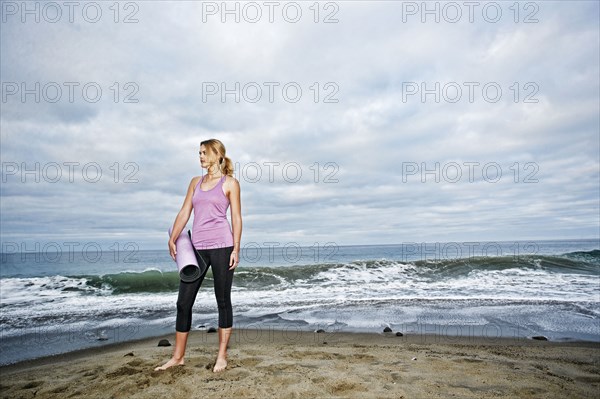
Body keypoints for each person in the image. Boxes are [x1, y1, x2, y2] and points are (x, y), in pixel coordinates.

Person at [155, 138, 242, 373]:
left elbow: (236, 217)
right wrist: (173, 237)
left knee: (223, 301)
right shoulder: (195, 182)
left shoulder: (230, 183)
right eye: (199, 153)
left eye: (204, 152)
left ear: (217, 154)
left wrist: (236, 248)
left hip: (223, 247)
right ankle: (178, 357)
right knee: (183, 303)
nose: (201, 156)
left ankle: (222, 356)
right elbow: (185, 212)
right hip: (197, 248)